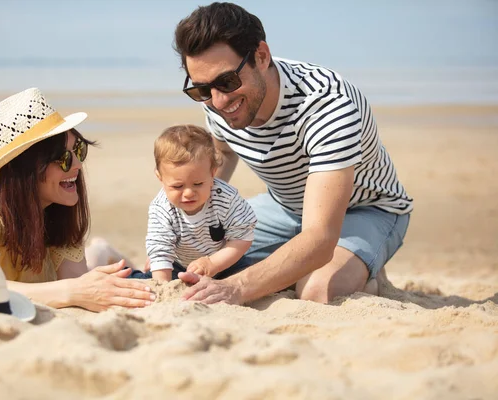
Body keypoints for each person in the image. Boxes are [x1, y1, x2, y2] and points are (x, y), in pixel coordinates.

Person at [173, 2, 413, 304]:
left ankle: (369, 272)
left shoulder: (327, 104)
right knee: (186, 261)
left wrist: (235, 287)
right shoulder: (218, 102)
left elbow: (320, 238)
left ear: (261, 56)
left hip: (367, 209)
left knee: (317, 291)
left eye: (227, 82)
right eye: (202, 90)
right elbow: (221, 153)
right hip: (284, 207)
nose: (218, 102)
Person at [0, 88, 155, 312]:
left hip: (25, 211)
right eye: (64, 159)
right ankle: (100, 251)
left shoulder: (56, 206)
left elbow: (80, 283)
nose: (78, 165)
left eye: (78, 150)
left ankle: (101, 251)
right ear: (27, 170)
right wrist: (73, 291)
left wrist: (85, 289)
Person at [141, 124, 257, 281]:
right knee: (150, 276)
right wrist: (163, 285)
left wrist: (213, 263)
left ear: (212, 173)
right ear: (160, 177)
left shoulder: (226, 198)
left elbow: (242, 237)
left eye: (198, 184)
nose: (188, 193)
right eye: (177, 186)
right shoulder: (162, 207)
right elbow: (160, 248)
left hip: (225, 262)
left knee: (247, 278)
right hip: (180, 265)